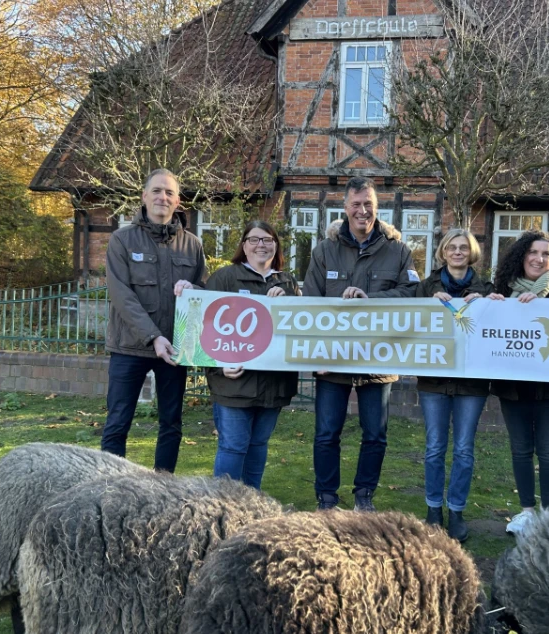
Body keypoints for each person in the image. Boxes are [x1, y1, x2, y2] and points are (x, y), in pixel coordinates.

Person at [303, 176, 419, 512]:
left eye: (368, 204)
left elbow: (412, 294)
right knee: (326, 433)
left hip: (378, 357)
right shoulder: (325, 251)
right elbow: (310, 302)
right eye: (356, 204)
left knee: (375, 435)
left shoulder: (398, 251)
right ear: (345, 207)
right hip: (332, 358)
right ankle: (326, 497)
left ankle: (364, 495)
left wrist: (370, 298)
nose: (362, 211)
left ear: (376, 207)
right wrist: (315, 352)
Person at [101, 168, 207, 472]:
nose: (163, 197)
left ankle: (163, 487)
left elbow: (201, 292)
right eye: (157, 191)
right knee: (118, 422)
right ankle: (111, 487)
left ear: (178, 202)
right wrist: (153, 336)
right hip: (129, 348)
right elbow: (121, 295)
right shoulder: (122, 240)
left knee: (171, 423)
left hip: (175, 348)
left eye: (170, 192)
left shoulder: (193, 245)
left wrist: (195, 289)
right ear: (144, 196)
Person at [487, 230, 549, 536]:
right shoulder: (501, 289)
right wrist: (494, 306)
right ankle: (526, 511)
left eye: (546, 254)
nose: (539, 259)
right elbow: (490, 331)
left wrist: (539, 304)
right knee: (520, 449)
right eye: (533, 253)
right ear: (522, 255)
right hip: (513, 386)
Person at [204, 221, 300, 488]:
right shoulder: (225, 278)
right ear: (244, 245)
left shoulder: (288, 281)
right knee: (233, 447)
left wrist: (289, 300)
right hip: (233, 384)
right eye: (254, 239)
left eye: (268, 240)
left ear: (276, 245)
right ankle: (221, 506)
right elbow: (202, 328)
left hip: (273, 385)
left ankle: (251, 505)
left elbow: (299, 329)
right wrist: (218, 367)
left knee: (258, 446)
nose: (261, 245)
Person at [415, 229, 494, 542]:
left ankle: (457, 510)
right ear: (443, 252)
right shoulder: (426, 286)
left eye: (464, 247)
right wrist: (427, 304)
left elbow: (497, 323)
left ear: (471, 252)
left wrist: (488, 304)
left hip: (472, 384)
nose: (458, 252)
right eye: (452, 247)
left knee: (463, 449)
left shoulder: (486, 288)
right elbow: (408, 320)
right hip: (434, 380)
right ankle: (434, 508)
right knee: (434, 446)